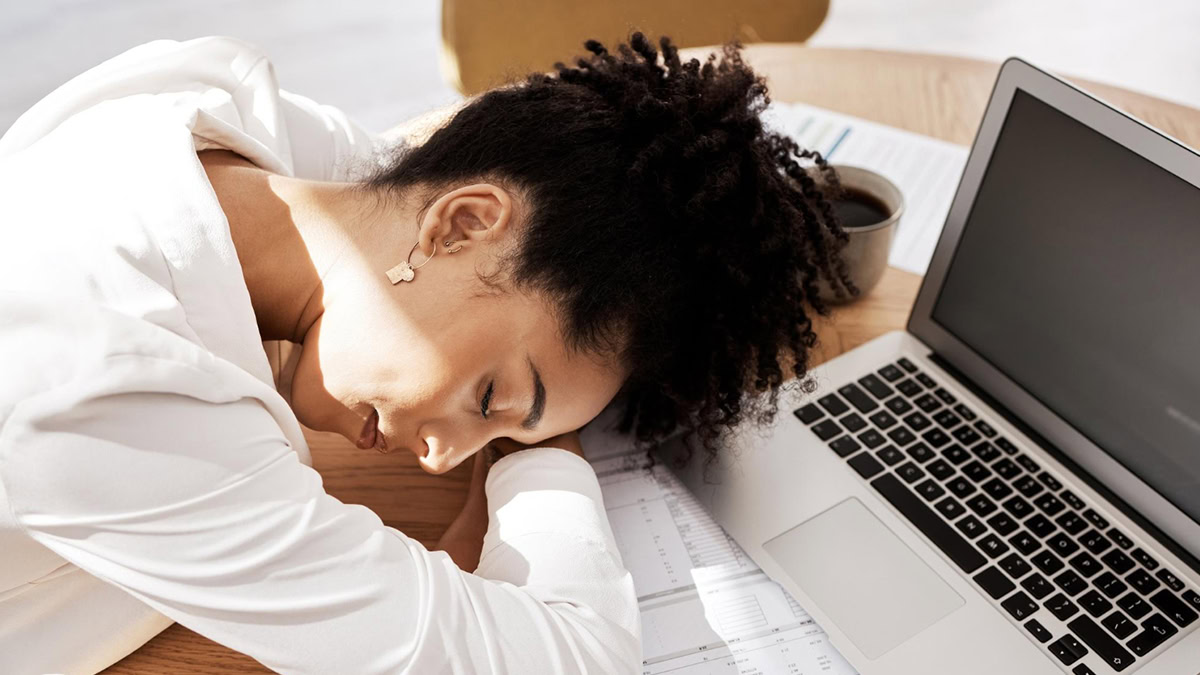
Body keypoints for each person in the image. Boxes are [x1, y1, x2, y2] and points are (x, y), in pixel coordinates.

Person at [0, 31, 851, 674]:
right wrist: (544, 449)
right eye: (490, 400)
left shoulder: (225, 123)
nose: (446, 460)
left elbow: (407, 164)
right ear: (462, 223)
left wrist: (525, 398)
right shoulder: (110, 379)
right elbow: (572, 660)